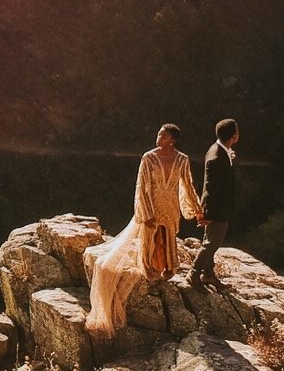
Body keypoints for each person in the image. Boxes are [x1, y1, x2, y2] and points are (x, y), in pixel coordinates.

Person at [85, 123, 203, 338]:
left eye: (162, 134)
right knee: (149, 238)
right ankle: (149, 269)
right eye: (158, 133)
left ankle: (167, 268)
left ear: (172, 139)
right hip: (153, 204)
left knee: (168, 237)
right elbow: (142, 186)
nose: (158, 137)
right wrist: (146, 213)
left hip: (171, 205)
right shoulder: (148, 158)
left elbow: (188, 185)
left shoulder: (182, 159)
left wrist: (197, 210)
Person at [187, 118, 239, 289]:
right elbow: (210, 188)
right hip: (216, 209)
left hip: (218, 207)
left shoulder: (220, 150)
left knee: (209, 242)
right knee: (211, 244)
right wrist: (207, 214)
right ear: (234, 135)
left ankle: (208, 274)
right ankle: (193, 273)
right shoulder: (217, 157)